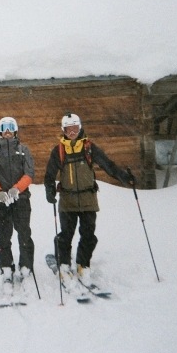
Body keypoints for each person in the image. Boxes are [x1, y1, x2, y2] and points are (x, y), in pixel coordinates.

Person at [44, 112, 134, 292]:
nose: (72, 132)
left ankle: (83, 265)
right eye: (69, 129)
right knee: (66, 236)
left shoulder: (89, 148)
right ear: (63, 130)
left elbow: (108, 165)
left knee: (88, 235)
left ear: (80, 128)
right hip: (67, 200)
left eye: (75, 128)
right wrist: (50, 191)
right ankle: (64, 266)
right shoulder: (59, 150)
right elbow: (49, 174)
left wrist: (124, 177)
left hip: (88, 199)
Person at [0, 116, 36, 305]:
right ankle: (7, 268)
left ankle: (25, 267)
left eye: (11, 128)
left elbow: (29, 173)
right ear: (0, 132)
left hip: (20, 199)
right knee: (4, 237)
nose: (8, 131)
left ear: (15, 131)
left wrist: (17, 188)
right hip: (2, 202)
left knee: (24, 235)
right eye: (4, 128)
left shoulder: (23, 150)